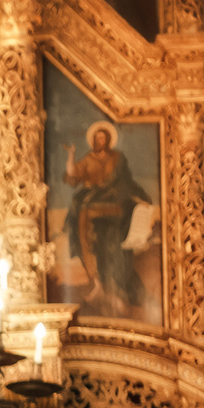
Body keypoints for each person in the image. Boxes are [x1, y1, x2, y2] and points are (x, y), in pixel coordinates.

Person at [64, 122, 152, 317]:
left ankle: (116, 288)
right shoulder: (88, 159)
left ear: (108, 140)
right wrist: (71, 155)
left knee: (115, 245)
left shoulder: (117, 159)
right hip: (92, 205)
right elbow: (73, 174)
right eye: (97, 138)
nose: (99, 141)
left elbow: (127, 181)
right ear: (93, 140)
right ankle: (98, 282)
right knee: (91, 236)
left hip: (114, 205)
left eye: (103, 138)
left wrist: (142, 197)